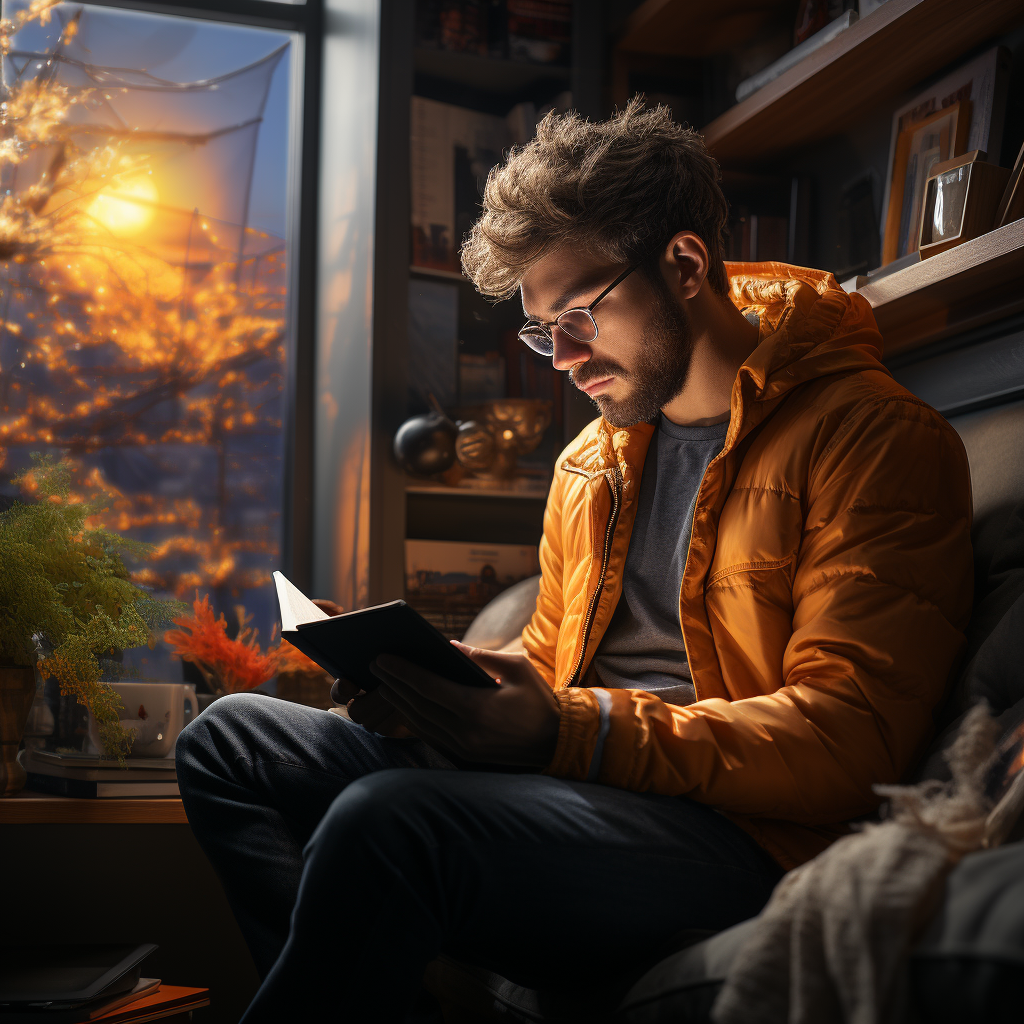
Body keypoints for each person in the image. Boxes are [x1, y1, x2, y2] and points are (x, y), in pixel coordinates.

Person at [176, 100, 973, 1022]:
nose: (560, 357)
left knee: (386, 821)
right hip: (584, 790)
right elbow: (557, 673)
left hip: (745, 836)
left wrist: (570, 731)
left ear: (683, 266)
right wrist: (447, 700)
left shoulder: (874, 440)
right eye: (539, 329)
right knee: (231, 737)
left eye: (580, 315)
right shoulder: (590, 463)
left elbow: (847, 744)